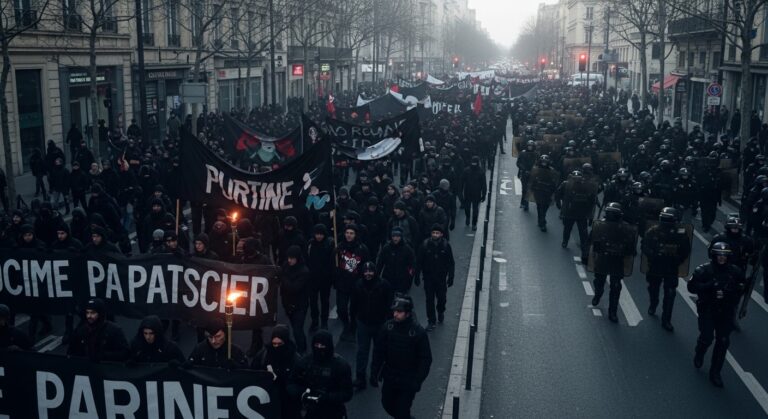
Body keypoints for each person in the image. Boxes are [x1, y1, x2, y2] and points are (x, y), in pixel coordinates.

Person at [688, 242, 747, 387]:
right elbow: (692, 287)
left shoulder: (735, 272)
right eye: (719, 255)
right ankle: (700, 352)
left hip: (726, 311)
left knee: (723, 341)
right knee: (707, 338)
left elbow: (741, 289)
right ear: (714, 256)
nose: (722, 258)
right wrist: (708, 287)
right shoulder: (703, 270)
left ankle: (715, 372)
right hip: (708, 309)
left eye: (725, 255)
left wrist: (729, 293)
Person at [371, 295, 432, 419]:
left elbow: (425, 359)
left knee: (402, 410)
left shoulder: (417, 332)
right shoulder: (388, 327)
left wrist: (417, 380)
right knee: (387, 404)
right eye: (394, 311)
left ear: (408, 314)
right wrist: (374, 372)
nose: (395, 314)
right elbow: (378, 351)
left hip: (408, 379)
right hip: (390, 376)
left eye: (399, 312)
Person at [641, 207, 692, 331]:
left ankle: (666, 320)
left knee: (670, 293)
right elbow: (644, 246)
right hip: (655, 266)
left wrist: (677, 260)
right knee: (653, 288)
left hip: (671, 267)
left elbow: (686, 250)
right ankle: (653, 303)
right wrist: (654, 255)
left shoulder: (680, 233)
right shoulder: (653, 231)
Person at [288, 330, 353, 419]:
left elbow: (347, 393)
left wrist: (327, 397)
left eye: (322, 346)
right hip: (311, 410)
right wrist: (303, 393)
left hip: (333, 411)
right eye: (317, 345)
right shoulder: (305, 362)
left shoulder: (340, 366)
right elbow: (291, 383)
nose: (319, 348)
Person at [588, 203, 636, 322]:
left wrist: (626, 250)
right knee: (598, 281)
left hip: (617, 260)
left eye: (613, 214)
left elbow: (631, 248)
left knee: (616, 286)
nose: (611, 216)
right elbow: (591, 240)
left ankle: (612, 312)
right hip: (603, 259)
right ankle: (598, 294)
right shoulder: (600, 225)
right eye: (610, 213)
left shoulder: (626, 228)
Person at [351, 262, 393, 390]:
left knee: (378, 351)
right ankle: (360, 377)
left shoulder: (384, 285)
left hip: (380, 324)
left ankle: (374, 375)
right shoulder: (358, 285)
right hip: (363, 323)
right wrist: (353, 320)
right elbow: (353, 304)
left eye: (370, 271)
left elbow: (389, 303)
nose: (368, 274)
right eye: (366, 271)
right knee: (362, 351)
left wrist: (388, 321)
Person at [252, 325, 301, 419]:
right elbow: (252, 373)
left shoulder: (295, 359)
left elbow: (298, 383)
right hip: (268, 400)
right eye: (274, 344)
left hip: (288, 404)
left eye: (280, 344)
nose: (276, 347)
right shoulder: (263, 355)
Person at [414, 224, 455, 330]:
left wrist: (451, 276)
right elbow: (419, 262)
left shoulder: (446, 246)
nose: (435, 235)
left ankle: (440, 311)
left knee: (442, 298)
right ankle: (431, 320)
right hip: (428, 278)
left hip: (441, 278)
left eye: (437, 233)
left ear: (441, 234)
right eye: (433, 233)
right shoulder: (425, 245)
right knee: (429, 300)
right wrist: (417, 276)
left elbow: (451, 263)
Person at [335, 224, 370, 340]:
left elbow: (366, 266)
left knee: (354, 309)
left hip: (356, 285)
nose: (349, 235)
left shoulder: (362, 249)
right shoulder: (339, 248)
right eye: (347, 233)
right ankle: (346, 325)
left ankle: (353, 328)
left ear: (355, 235)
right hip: (342, 284)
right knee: (341, 309)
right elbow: (332, 264)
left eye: (351, 233)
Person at [555, 170, 597, 261]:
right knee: (569, 229)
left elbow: (592, 200)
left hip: (580, 214)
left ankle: (584, 251)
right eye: (575, 178)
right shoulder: (566, 184)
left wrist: (590, 214)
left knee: (582, 233)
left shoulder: (586, 186)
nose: (577, 180)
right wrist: (559, 203)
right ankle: (566, 241)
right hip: (571, 213)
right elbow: (558, 193)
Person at [281, 245, 310, 354]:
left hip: (300, 305)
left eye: (292, 258)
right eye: (288, 257)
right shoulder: (286, 266)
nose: (289, 260)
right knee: (294, 327)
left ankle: (302, 350)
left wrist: (283, 278)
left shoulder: (304, 271)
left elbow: (294, 288)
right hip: (288, 304)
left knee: (297, 329)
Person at [307, 224, 334, 331]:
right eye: (317, 234)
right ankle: (314, 321)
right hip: (312, 278)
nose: (319, 236)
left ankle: (324, 321)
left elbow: (332, 262)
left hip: (325, 279)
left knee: (324, 301)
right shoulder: (310, 244)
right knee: (313, 302)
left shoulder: (329, 244)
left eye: (321, 234)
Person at [376, 227, 416, 294]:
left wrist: (409, 278)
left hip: (402, 280)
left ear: (401, 237)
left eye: (397, 236)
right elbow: (380, 264)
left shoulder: (407, 249)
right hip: (388, 278)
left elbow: (412, 265)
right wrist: (376, 278)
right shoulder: (386, 248)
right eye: (393, 236)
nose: (395, 238)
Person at [530, 154, 559, 232]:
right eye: (543, 162)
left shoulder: (552, 170)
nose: (544, 163)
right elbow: (532, 180)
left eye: (545, 162)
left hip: (547, 192)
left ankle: (541, 219)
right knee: (540, 207)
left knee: (545, 207)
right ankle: (542, 223)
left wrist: (553, 190)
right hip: (538, 191)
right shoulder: (536, 169)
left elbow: (554, 182)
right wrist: (533, 188)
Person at [461, 156, 487, 230]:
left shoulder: (480, 171)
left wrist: (484, 194)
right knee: (469, 208)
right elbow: (462, 182)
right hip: (470, 192)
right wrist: (484, 194)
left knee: (474, 209)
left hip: (474, 193)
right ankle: (469, 218)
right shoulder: (467, 171)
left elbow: (483, 184)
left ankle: (473, 223)